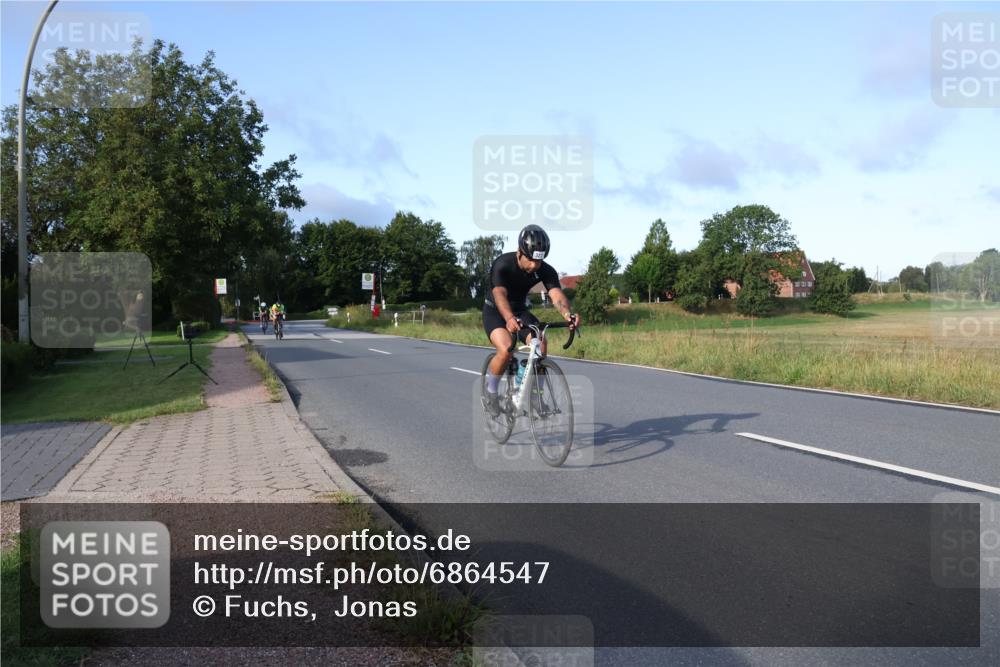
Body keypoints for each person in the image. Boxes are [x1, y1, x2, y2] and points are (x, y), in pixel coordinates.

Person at [482, 224, 579, 416]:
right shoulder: (503, 264)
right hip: (495, 310)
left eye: (539, 261)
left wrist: (568, 314)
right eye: (530, 259)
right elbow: (499, 294)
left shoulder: (545, 270)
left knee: (541, 344)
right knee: (506, 347)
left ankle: (536, 396)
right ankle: (491, 391)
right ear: (519, 252)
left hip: (520, 310)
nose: (535, 265)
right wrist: (509, 318)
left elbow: (556, 295)